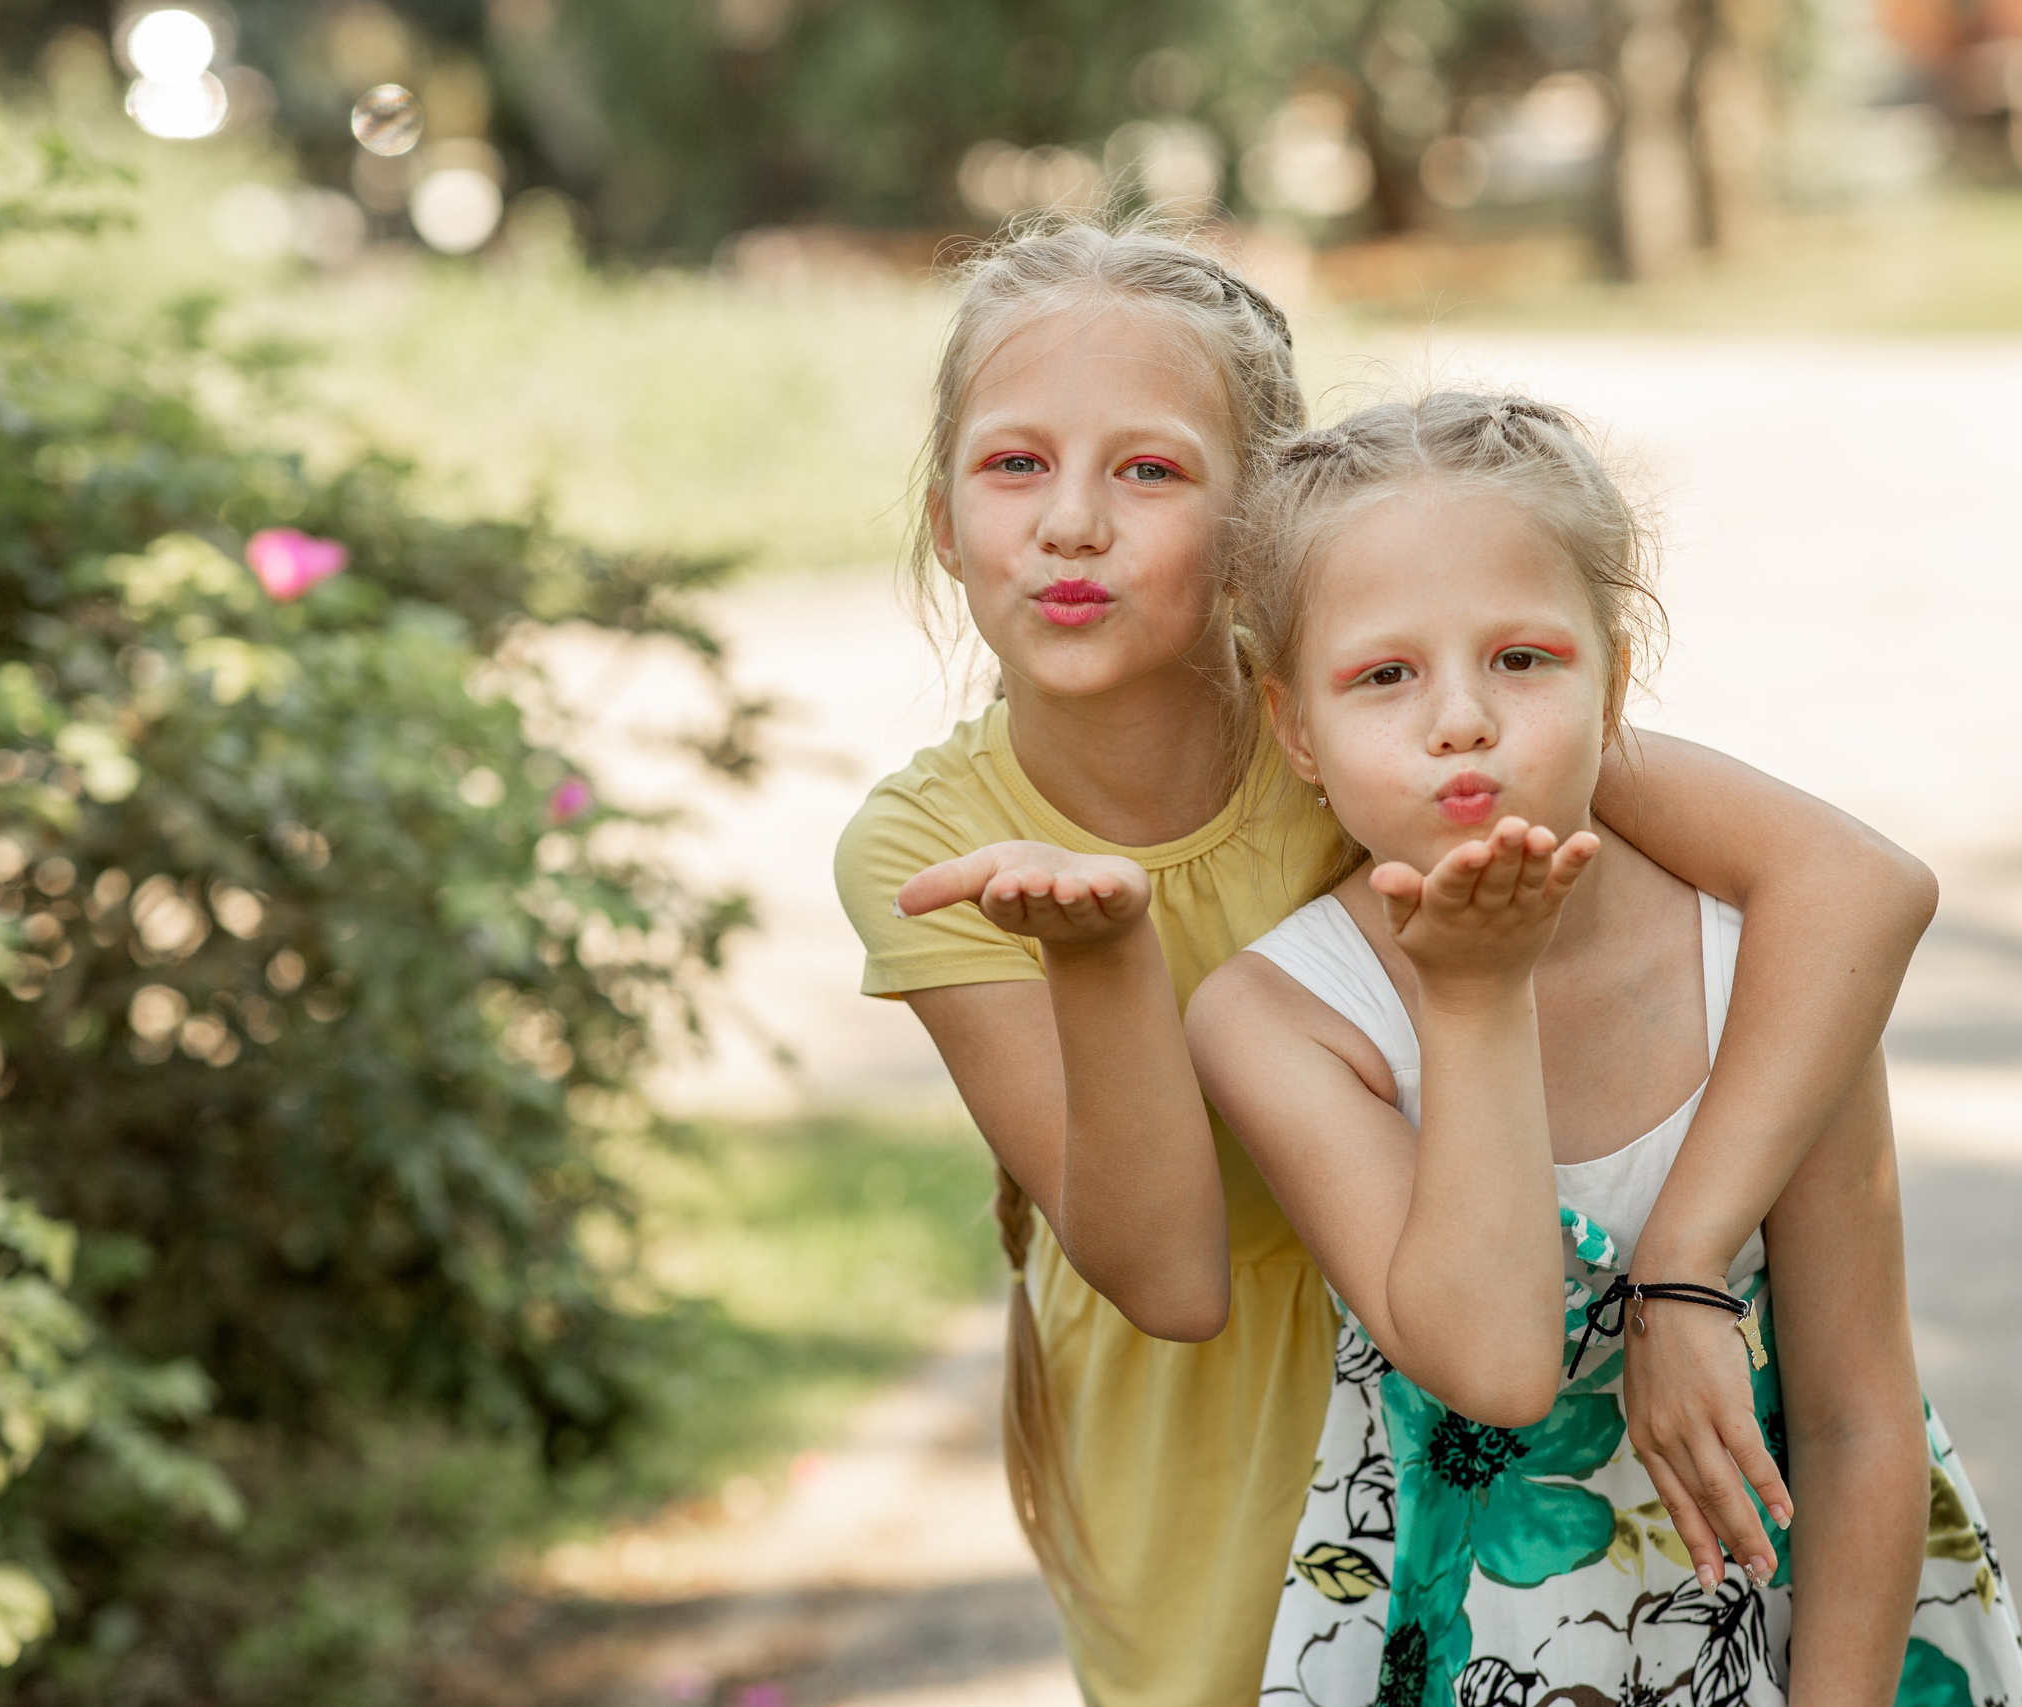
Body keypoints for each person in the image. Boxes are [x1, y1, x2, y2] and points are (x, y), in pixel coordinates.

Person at [832, 220, 1943, 1707]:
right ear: (944, 509)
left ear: (1256, 533)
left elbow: (1852, 885)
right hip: (1208, 1441)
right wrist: (1104, 960)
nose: (1073, 524)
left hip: (1503, 1374)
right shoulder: (937, 839)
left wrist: (1682, 1265)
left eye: (1149, 469)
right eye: (1015, 464)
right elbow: (1172, 1270)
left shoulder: (1403, 723)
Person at [1187, 390, 2022, 1707]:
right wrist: (1475, 1002)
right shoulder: (1280, 1015)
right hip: (1480, 1652)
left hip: (1815, 1650)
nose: (1461, 719)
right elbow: (1499, 1366)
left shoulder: (1762, 967)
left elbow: (1863, 1420)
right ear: (1297, 727)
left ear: (1616, 679)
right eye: (1383, 675)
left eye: (1524, 659)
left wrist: (1683, 1271)